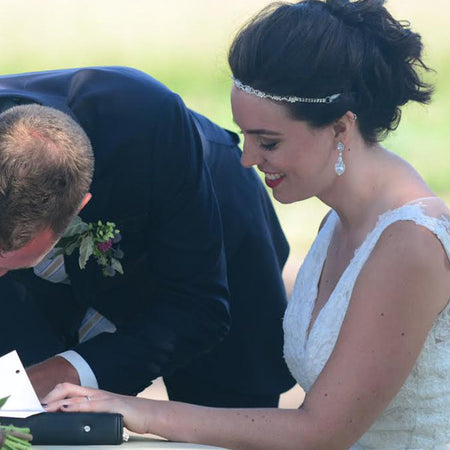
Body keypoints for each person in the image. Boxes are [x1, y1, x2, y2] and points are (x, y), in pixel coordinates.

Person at [44, 0, 450, 449]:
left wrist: (138, 410)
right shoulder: (335, 224)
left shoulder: (410, 243)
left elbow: (323, 431)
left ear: (340, 128)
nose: (246, 158)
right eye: (245, 135)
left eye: (268, 141)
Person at [0, 66, 295, 406]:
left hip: (207, 248)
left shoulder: (146, 120)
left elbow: (198, 309)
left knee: (226, 419)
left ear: (78, 209)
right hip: (39, 294)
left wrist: (48, 377)